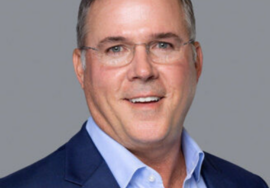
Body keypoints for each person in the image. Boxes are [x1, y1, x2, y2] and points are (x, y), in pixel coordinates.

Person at [0, 0, 268, 187]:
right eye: (116, 49)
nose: (142, 70)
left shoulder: (248, 185)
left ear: (196, 61)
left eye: (163, 45)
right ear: (81, 69)